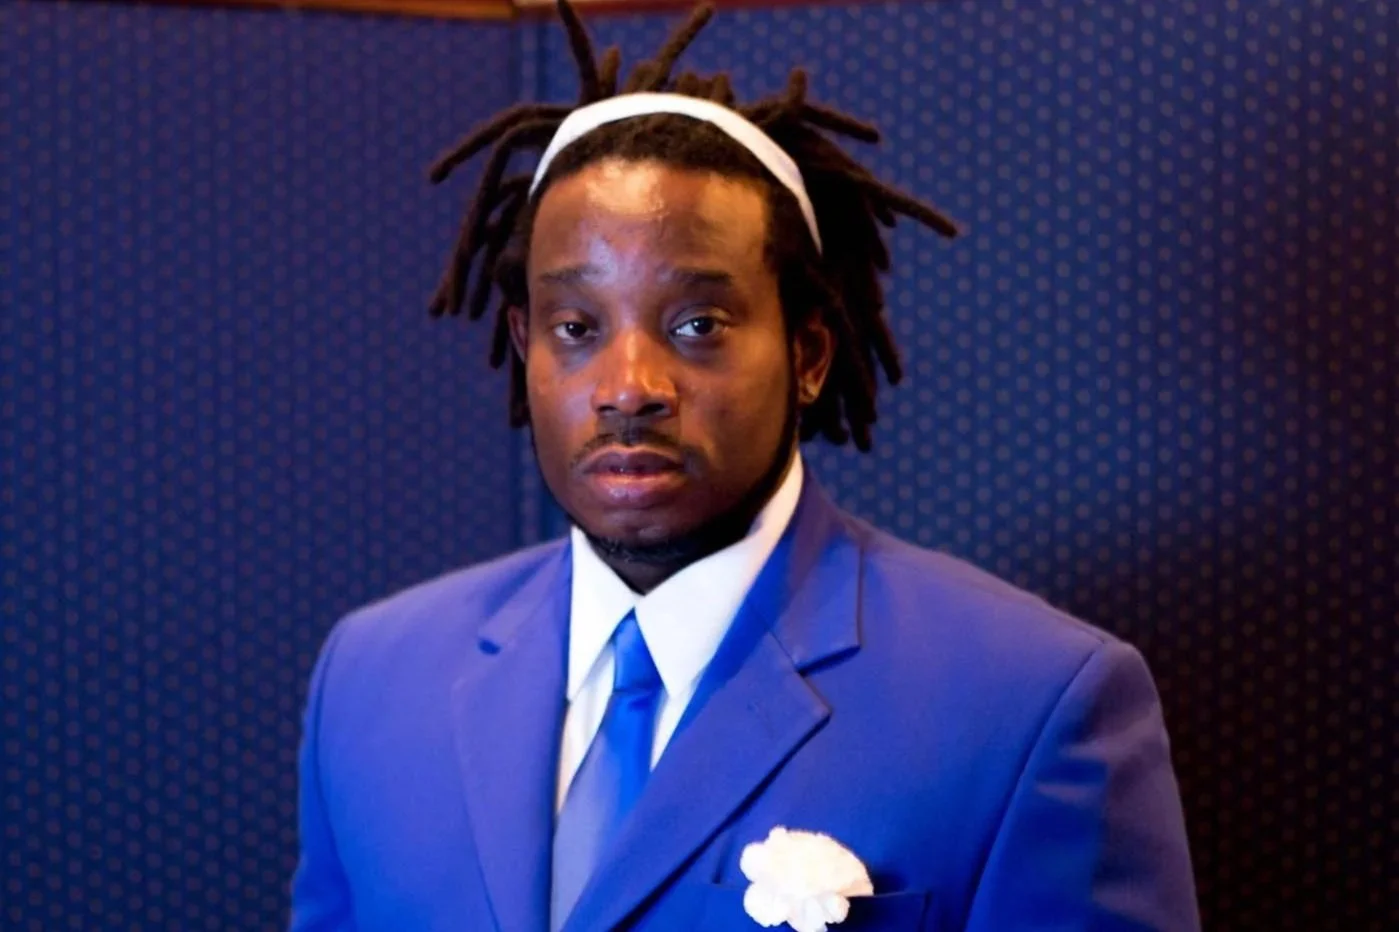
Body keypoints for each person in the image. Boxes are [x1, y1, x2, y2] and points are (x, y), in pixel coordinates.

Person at [289, 3, 1199, 929]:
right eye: (576, 328)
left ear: (807, 355)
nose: (629, 386)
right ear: (525, 343)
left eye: (697, 326)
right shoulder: (372, 678)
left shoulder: (1031, 704)